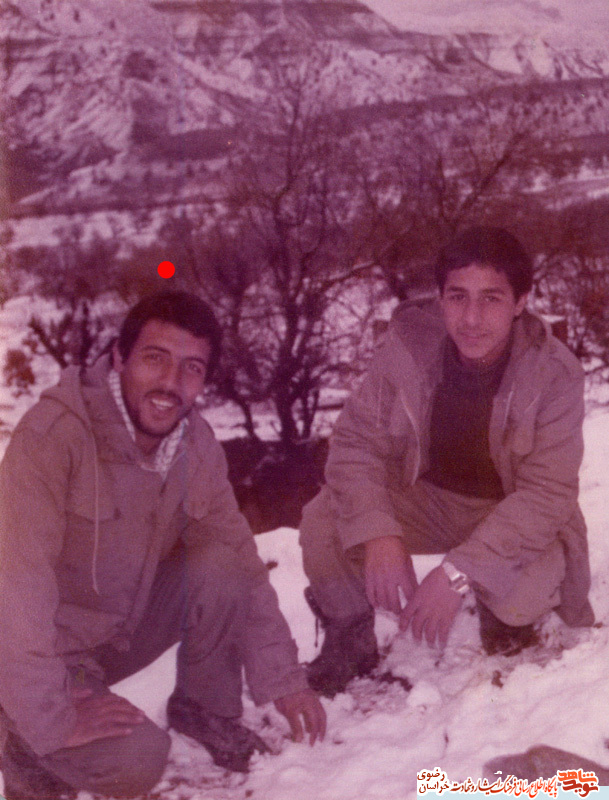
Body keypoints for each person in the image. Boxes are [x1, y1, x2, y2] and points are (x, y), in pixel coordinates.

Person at [0, 290, 326, 800]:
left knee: (220, 562)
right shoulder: (54, 436)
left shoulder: (195, 444)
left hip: (118, 632)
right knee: (137, 761)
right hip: (38, 647)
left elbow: (240, 561)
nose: (171, 383)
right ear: (119, 358)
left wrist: (283, 678)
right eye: (155, 358)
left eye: (191, 368)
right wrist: (52, 715)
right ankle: (21, 738)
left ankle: (204, 708)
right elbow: (15, 587)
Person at [300, 226, 593, 698]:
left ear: (520, 302)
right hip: (426, 498)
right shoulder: (406, 348)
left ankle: (507, 626)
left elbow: (547, 494)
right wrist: (379, 533)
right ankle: (349, 634)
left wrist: (457, 572)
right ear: (440, 299)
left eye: (491, 299)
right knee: (325, 520)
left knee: (525, 592)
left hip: (510, 510)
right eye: (458, 297)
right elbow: (356, 443)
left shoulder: (554, 373)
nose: (471, 318)